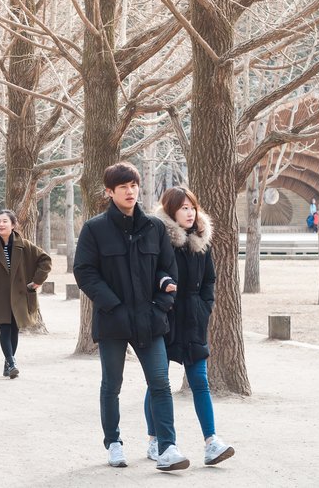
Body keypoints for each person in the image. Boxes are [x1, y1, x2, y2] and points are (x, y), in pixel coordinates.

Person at [73, 162, 188, 471]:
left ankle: (167, 447)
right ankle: (113, 442)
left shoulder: (154, 227)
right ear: (110, 192)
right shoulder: (94, 229)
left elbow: (168, 269)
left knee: (160, 382)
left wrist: (162, 303)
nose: (130, 191)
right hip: (112, 320)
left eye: (134, 185)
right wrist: (112, 304)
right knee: (112, 384)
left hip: (150, 319)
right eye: (122, 186)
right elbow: (84, 271)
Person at [146, 187, 235, 467]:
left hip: (194, 321)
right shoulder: (159, 239)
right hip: (165, 321)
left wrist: (204, 306)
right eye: (183, 207)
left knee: (200, 382)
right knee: (159, 383)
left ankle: (211, 442)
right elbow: (149, 275)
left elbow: (210, 280)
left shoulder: (200, 243)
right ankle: (155, 441)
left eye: (192, 207)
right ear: (171, 211)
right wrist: (162, 302)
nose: (189, 212)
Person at [0, 210, 51, 379]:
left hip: (19, 294)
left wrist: (37, 281)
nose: (0, 224)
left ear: (13, 225)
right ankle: (12, 362)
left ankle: (8, 364)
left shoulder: (25, 245)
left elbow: (45, 260)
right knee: (5, 328)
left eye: (4, 221)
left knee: (14, 330)